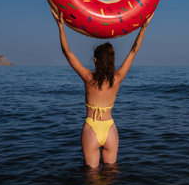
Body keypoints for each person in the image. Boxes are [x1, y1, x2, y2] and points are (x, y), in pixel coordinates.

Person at [52, 9, 153, 168]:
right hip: (110, 129)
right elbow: (134, 50)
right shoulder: (117, 79)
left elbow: (68, 53)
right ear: (112, 61)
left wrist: (60, 26)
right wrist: (144, 28)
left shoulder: (88, 78)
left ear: (95, 60)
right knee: (111, 173)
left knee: (91, 176)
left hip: (91, 128)